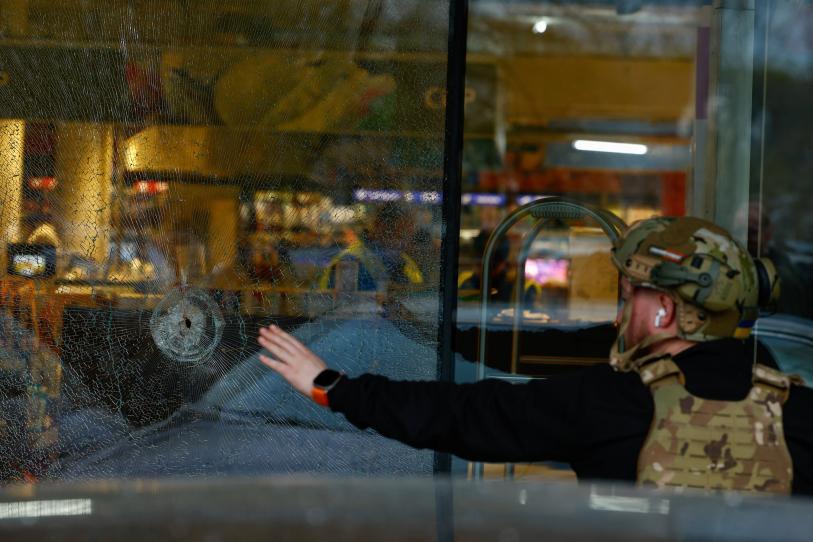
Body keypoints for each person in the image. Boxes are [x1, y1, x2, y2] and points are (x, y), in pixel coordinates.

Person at [258, 216, 813, 496]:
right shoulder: (798, 408)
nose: (619, 318)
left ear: (665, 311)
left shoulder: (612, 403)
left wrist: (334, 386)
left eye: (628, 299)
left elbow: (462, 415)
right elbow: (551, 351)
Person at [319, 202, 423, 292]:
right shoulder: (349, 261)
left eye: (409, 237)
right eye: (400, 236)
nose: (405, 244)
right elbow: (340, 304)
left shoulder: (402, 260)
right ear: (379, 227)